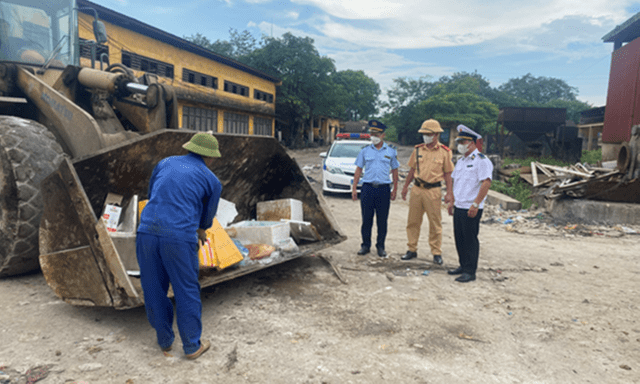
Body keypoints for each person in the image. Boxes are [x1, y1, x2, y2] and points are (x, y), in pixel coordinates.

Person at [136, 132, 222, 359]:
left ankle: (164, 341)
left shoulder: (164, 163)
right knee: (186, 290)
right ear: (210, 157)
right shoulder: (212, 180)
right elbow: (207, 216)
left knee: (153, 287)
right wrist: (201, 229)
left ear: (189, 148)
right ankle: (192, 346)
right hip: (178, 237)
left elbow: (152, 194)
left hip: (146, 232)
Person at [401, 119, 454, 265]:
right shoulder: (418, 150)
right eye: (423, 133)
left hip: (434, 191)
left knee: (435, 223)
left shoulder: (445, 152)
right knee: (413, 221)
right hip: (417, 189)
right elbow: (412, 170)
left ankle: (436, 252)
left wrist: (449, 193)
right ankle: (411, 249)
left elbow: (448, 174)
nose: (425, 136)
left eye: (428, 134)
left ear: (436, 134)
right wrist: (405, 187)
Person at [447, 125, 493, 283]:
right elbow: (454, 181)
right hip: (459, 205)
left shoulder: (481, 161)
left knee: (470, 239)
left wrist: (476, 203)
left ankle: (470, 271)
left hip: (471, 207)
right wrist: (451, 200)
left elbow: (486, 183)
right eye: (458, 141)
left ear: (472, 143)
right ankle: (463, 265)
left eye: (463, 141)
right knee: (459, 237)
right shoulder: (461, 161)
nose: (459, 144)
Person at [352, 120, 399, 257]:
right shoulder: (364, 151)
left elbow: (395, 171)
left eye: (376, 134)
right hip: (367, 188)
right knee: (366, 219)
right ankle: (365, 245)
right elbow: (358, 170)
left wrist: (395, 189)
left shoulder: (391, 151)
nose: (373, 136)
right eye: (371, 133)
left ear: (383, 135)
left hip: (383, 189)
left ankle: (380, 246)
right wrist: (354, 188)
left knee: (382, 220)